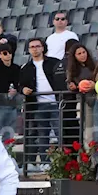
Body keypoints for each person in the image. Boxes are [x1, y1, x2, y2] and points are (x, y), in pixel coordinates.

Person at [20, 37, 68, 168]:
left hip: (56, 104)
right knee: (42, 136)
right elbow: (20, 85)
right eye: (32, 47)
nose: (35, 49)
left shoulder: (54, 63)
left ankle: (65, 162)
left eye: (37, 46)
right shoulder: (26, 68)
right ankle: (45, 163)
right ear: (29, 50)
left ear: (42, 47)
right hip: (38, 105)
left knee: (61, 134)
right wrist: (23, 89)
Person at [65, 41, 97, 144]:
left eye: (84, 52)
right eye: (79, 54)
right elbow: (70, 84)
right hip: (84, 101)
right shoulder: (72, 70)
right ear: (74, 56)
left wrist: (94, 84)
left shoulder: (95, 65)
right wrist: (72, 86)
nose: (83, 55)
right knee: (88, 130)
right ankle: (88, 155)